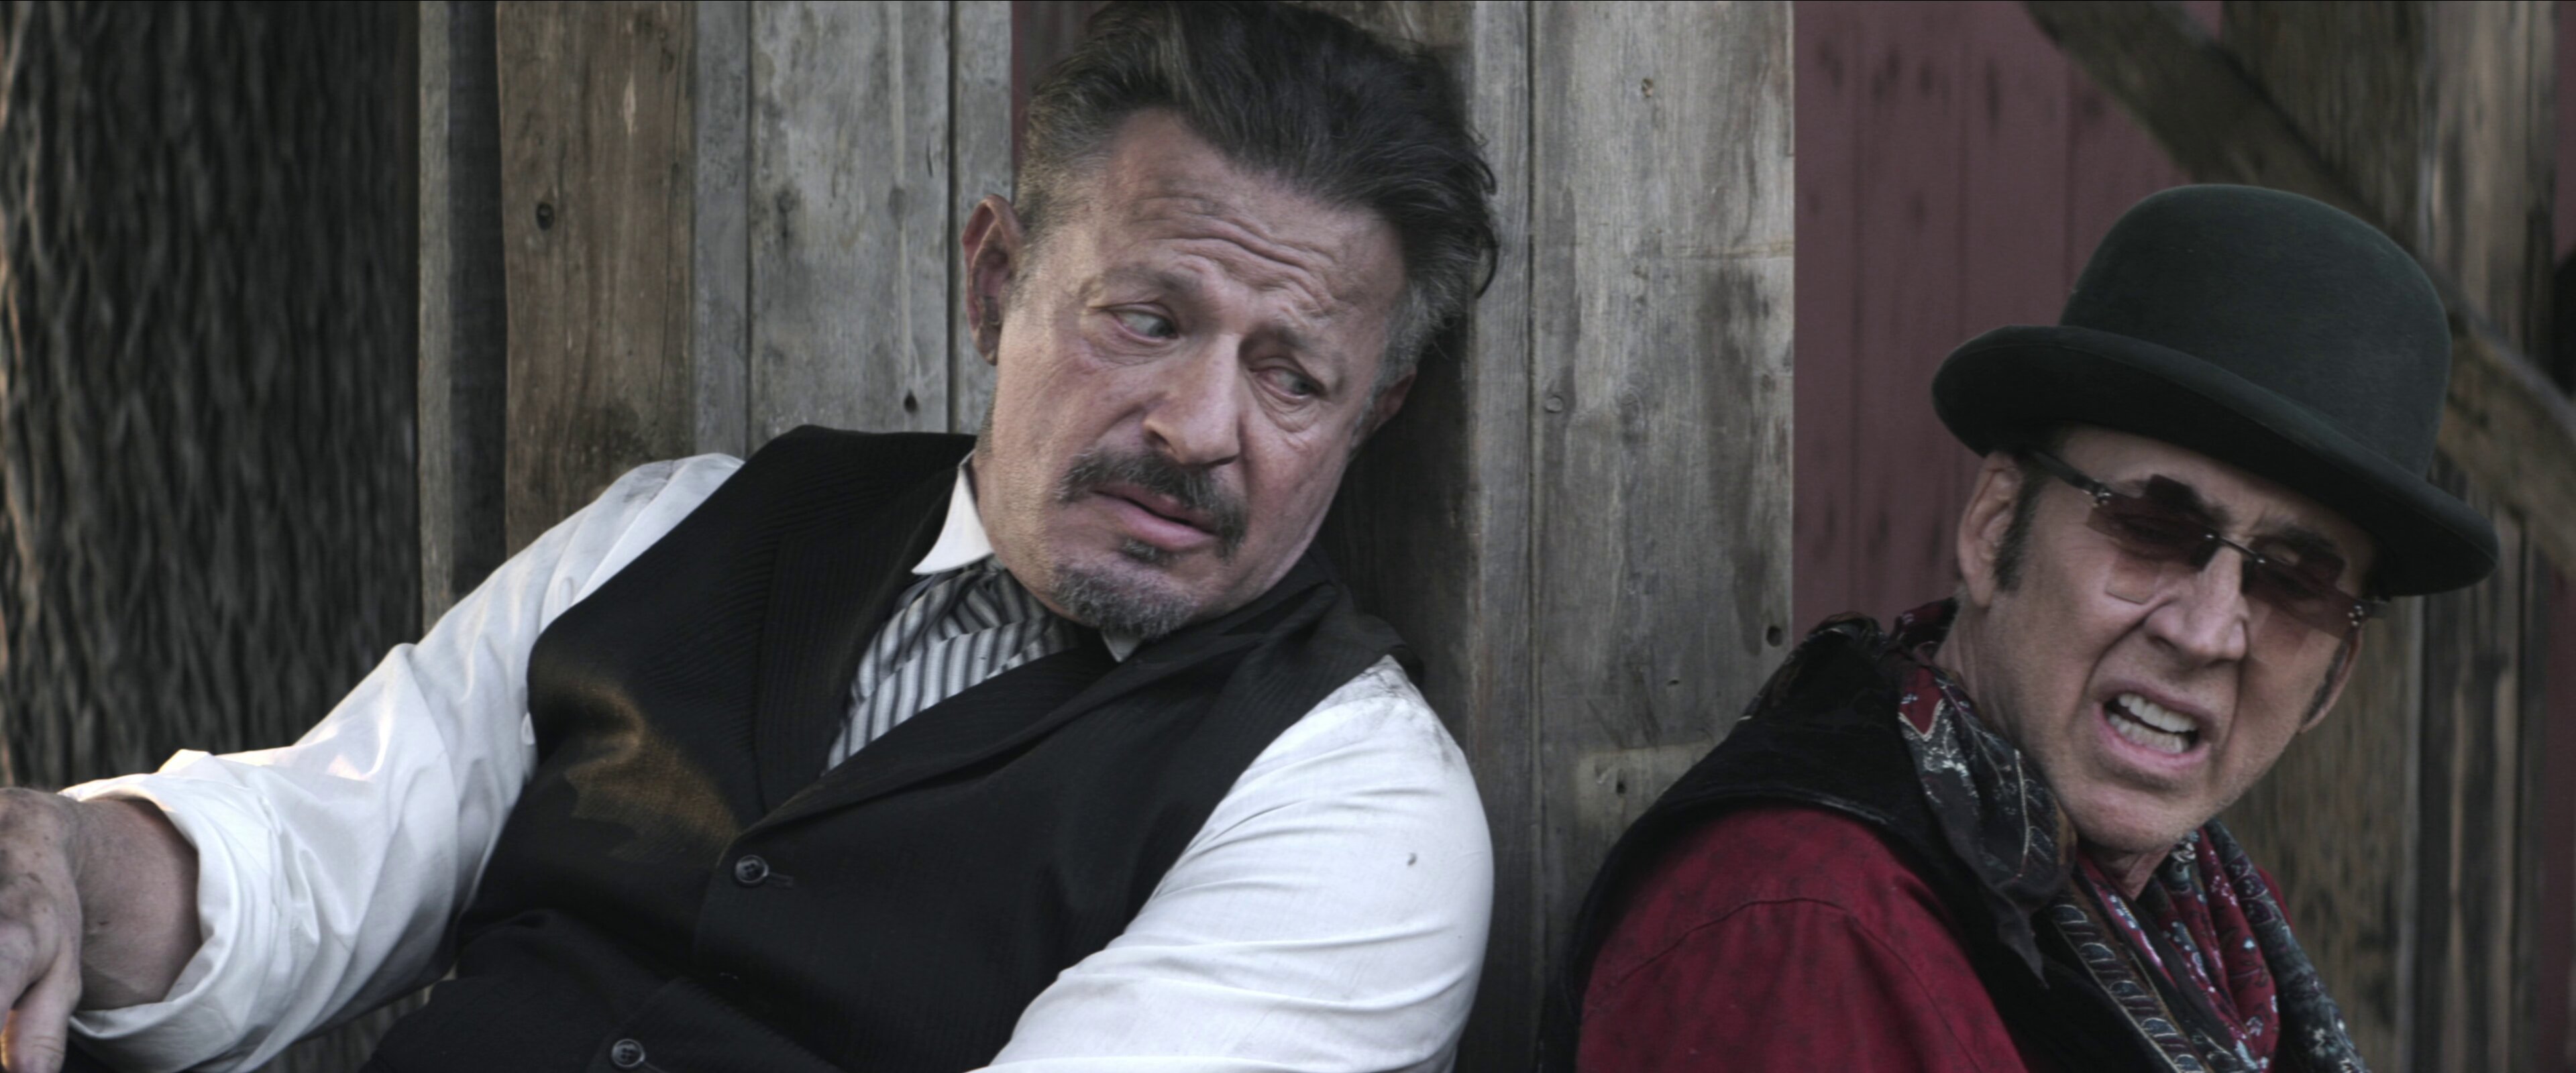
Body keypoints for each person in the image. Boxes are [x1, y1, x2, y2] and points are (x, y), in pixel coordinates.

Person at [0, 4, 1501, 1071]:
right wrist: (62, 858)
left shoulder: (1359, 812)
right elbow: (309, 857)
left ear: (1370, 413)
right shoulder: (681, 526)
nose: (1196, 425)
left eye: (1292, 376)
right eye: (1148, 319)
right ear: (995, 281)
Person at [1548, 185, 2495, 1072]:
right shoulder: (1807, 922)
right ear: (1996, 525)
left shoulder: (2202, 921)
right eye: (2155, 528)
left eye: (2292, 583)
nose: (2207, 631)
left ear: (2335, 674)